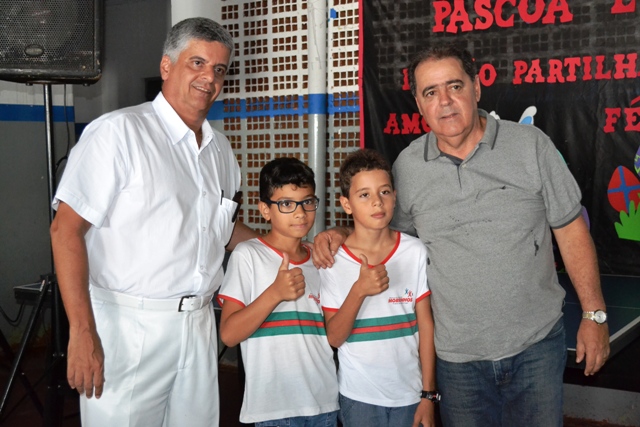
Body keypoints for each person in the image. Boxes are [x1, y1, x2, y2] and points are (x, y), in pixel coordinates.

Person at [313, 43, 610, 427]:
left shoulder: (530, 146)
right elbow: (383, 231)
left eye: (455, 86)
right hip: (457, 363)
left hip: (535, 348)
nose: (445, 102)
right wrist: (340, 232)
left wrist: (594, 314)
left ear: (477, 88)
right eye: (430, 92)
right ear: (419, 105)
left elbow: (570, 228)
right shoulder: (408, 167)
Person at [49, 18, 257, 426]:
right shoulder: (118, 133)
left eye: (219, 69)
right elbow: (65, 229)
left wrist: (287, 248)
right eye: (197, 63)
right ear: (166, 66)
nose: (209, 78)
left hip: (199, 325)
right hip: (128, 328)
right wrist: (82, 331)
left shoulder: (221, 150)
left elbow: (223, 229)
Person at [217, 157, 339, 427]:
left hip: (324, 402)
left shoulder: (320, 260)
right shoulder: (248, 255)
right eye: (286, 204)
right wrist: (275, 293)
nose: (300, 213)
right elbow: (229, 334)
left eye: (307, 202)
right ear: (265, 209)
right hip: (273, 408)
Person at [318, 149, 436, 427]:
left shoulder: (414, 251)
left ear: (395, 196)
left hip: (410, 395)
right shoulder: (333, 260)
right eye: (364, 195)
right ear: (346, 204)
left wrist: (429, 394)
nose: (376, 202)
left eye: (384, 192)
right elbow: (334, 338)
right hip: (358, 397)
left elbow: (426, 325)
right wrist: (359, 290)